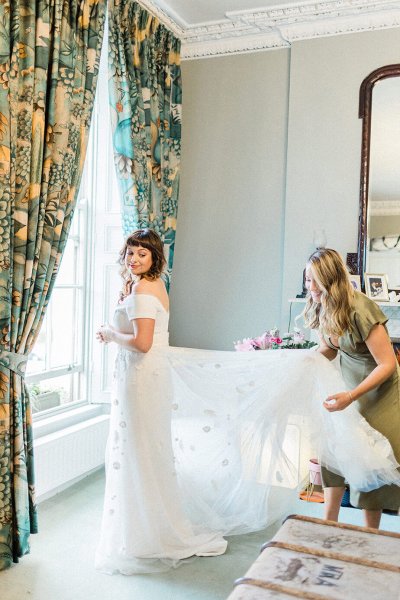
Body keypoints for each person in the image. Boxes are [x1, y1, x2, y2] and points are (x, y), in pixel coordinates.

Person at [94, 229, 227, 575]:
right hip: (151, 376)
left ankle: (143, 534)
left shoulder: (141, 289)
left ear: (154, 258)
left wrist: (109, 334)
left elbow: (142, 343)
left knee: (138, 450)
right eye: (130, 253)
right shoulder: (156, 287)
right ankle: (150, 525)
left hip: (140, 376)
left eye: (142, 254)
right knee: (148, 450)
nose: (134, 259)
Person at [303, 247, 400, 528]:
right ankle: (329, 524)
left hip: (381, 392)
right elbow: (329, 349)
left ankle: (370, 535)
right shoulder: (323, 305)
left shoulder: (360, 308)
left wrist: (351, 396)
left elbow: (387, 364)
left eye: (313, 280)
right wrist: (298, 361)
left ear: (329, 279)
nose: (309, 286)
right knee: (332, 450)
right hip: (348, 388)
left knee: (373, 460)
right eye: (307, 279)